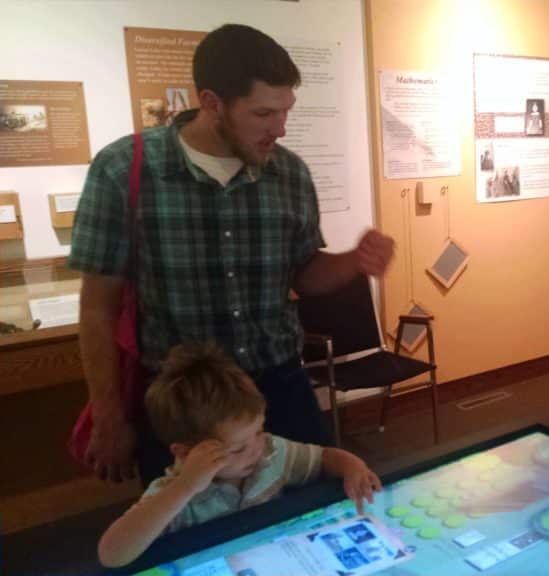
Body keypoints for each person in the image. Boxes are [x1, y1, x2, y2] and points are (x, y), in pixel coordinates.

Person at [69, 23, 395, 486]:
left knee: (309, 519)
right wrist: (109, 415)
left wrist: (352, 262)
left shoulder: (290, 173)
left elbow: (305, 274)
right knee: (192, 536)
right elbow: (97, 307)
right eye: (263, 113)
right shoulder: (123, 169)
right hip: (183, 406)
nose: (279, 129)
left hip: (278, 388)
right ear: (212, 102)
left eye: (285, 111)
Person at [97, 342, 382, 568]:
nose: (257, 447)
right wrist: (185, 487)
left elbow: (322, 458)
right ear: (185, 454)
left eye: (258, 431)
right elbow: (111, 553)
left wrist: (351, 466)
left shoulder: (270, 452)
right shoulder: (175, 493)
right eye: (238, 448)